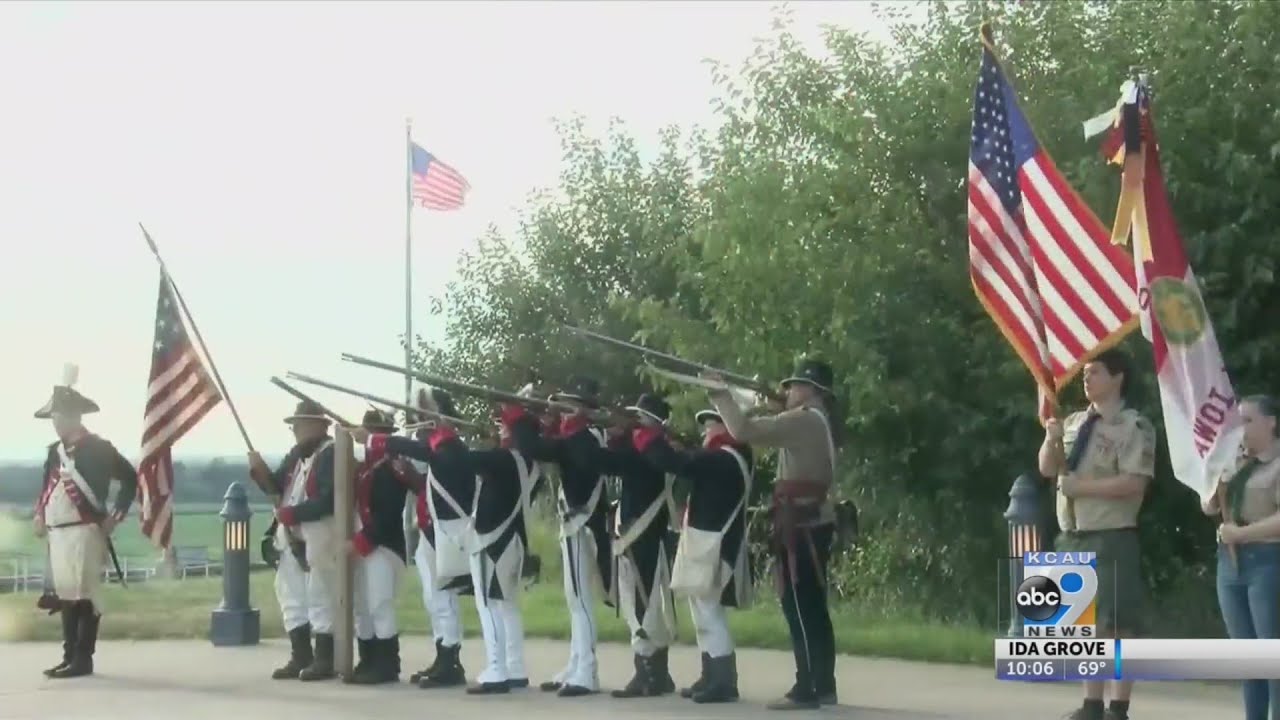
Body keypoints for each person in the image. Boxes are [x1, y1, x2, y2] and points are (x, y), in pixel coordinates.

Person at [705, 359, 839, 710]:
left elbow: (743, 431)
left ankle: (807, 688)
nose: (788, 390)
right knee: (811, 607)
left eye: (794, 385)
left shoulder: (804, 419)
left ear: (811, 391)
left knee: (798, 606)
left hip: (801, 524)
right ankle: (822, 684)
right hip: (809, 520)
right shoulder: (815, 419)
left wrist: (720, 395)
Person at [1039, 348, 1155, 720]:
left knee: (1118, 627)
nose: (1086, 379)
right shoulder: (1073, 422)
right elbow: (1048, 469)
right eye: (1085, 373)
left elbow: (1134, 483)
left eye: (1096, 372)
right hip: (1072, 532)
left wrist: (1083, 488)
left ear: (1117, 378)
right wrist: (1050, 438)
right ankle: (1091, 704)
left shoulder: (1132, 426)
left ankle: (1118, 707)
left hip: (1110, 534)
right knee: (1081, 626)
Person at [500, 375, 613, 697]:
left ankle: (587, 672)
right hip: (576, 524)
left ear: (582, 410)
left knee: (581, 601)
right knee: (574, 599)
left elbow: (535, 447)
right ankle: (577, 662)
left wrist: (517, 414)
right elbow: (547, 444)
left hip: (584, 524)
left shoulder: (583, 438)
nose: (562, 411)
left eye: (569, 405)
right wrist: (534, 417)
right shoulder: (578, 436)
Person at [633, 408, 753, 704]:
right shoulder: (725, 455)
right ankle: (710, 674)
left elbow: (677, 464)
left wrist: (649, 437)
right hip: (707, 541)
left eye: (712, 426)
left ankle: (723, 681)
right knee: (702, 610)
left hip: (715, 543)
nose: (706, 432)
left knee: (710, 612)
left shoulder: (726, 457)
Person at [359, 387, 474, 689]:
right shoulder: (434, 448)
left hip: (445, 532)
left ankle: (450, 660)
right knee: (433, 598)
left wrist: (376, 440)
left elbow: (429, 470)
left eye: (425, 418)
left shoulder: (450, 448)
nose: (420, 425)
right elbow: (424, 482)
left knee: (444, 598)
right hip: (428, 530)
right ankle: (442, 655)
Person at [32, 364, 138, 679]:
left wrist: (115, 517)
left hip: (84, 530)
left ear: (72, 417)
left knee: (84, 595)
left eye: (58, 417)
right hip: (59, 533)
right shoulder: (55, 453)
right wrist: (40, 515)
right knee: (66, 595)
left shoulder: (99, 449)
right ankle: (69, 655)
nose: (55, 423)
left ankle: (83, 658)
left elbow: (130, 479)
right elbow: (46, 489)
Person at [247, 399, 339, 682]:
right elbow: (276, 487)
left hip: (320, 532)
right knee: (290, 595)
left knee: (320, 595)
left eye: (299, 425)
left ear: (317, 426)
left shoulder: (331, 454)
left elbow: (329, 500)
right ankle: (301, 656)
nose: (295, 430)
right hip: (291, 534)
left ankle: (325, 659)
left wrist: (292, 513)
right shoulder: (296, 455)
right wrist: (259, 471)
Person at [1202, 395, 1280, 720]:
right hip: (1230, 564)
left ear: (1271, 422)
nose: (1240, 428)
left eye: (1247, 420)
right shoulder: (1235, 463)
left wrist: (1243, 534)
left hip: (1267, 561)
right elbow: (1209, 507)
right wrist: (1213, 481)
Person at [599, 394, 677, 699]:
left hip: (646, 534)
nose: (635, 423)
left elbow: (608, 462)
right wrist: (616, 438)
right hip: (634, 533)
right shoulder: (644, 448)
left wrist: (613, 441)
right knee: (637, 602)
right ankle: (653, 672)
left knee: (644, 602)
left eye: (640, 418)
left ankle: (650, 674)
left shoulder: (652, 450)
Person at [346, 409, 418, 685]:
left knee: (379, 604)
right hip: (365, 543)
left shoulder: (391, 468)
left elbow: (388, 515)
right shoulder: (366, 466)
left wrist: (362, 542)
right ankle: (368, 660)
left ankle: (387, 664)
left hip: (383, 545)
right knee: (363, 606)